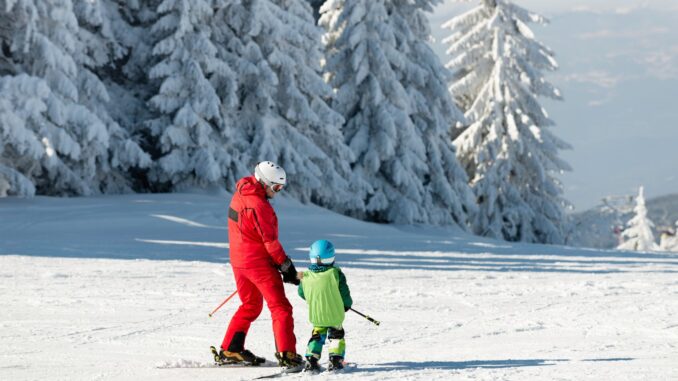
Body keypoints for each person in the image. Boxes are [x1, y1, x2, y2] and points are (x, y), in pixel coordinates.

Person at [215, 161, 304, 370]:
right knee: (280, 307)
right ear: (264, 182)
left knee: (250, 305)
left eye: (281, 188)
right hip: (258, 264)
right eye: (276, 187)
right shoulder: (259, 205)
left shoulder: (241, 193)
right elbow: (270, 242)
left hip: (240, 262)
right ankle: (287, 353)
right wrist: (286, 266)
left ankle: (231, 348)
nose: (278, 192)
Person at [297, 239, 352, 372]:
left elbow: (301, 293)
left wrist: (316, 298)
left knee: (317, 335)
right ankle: (335, 360)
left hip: (317, 315)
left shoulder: (305, 276)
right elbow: (344, 293)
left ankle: (311, 359)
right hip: (334, 315)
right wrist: (347, 305)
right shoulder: (336, 273)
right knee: (336, 336)